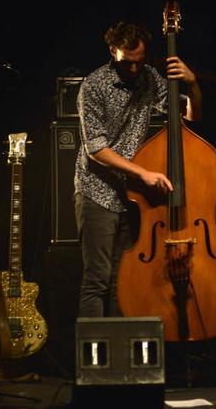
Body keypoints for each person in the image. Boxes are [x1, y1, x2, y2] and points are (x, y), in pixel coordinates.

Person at [74, 21, 202, 318]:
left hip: (133, 195)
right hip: (98, 191)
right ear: (112, 51)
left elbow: (190, 116)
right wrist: (143, 173)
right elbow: (95, 149)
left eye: (139, 62)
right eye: (127, 63)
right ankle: (93, 361)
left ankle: (123, 357)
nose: (134, 70)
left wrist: (192, 83)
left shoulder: (149, 78)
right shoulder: (94, 85)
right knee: (98, 280)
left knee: (126, 279)